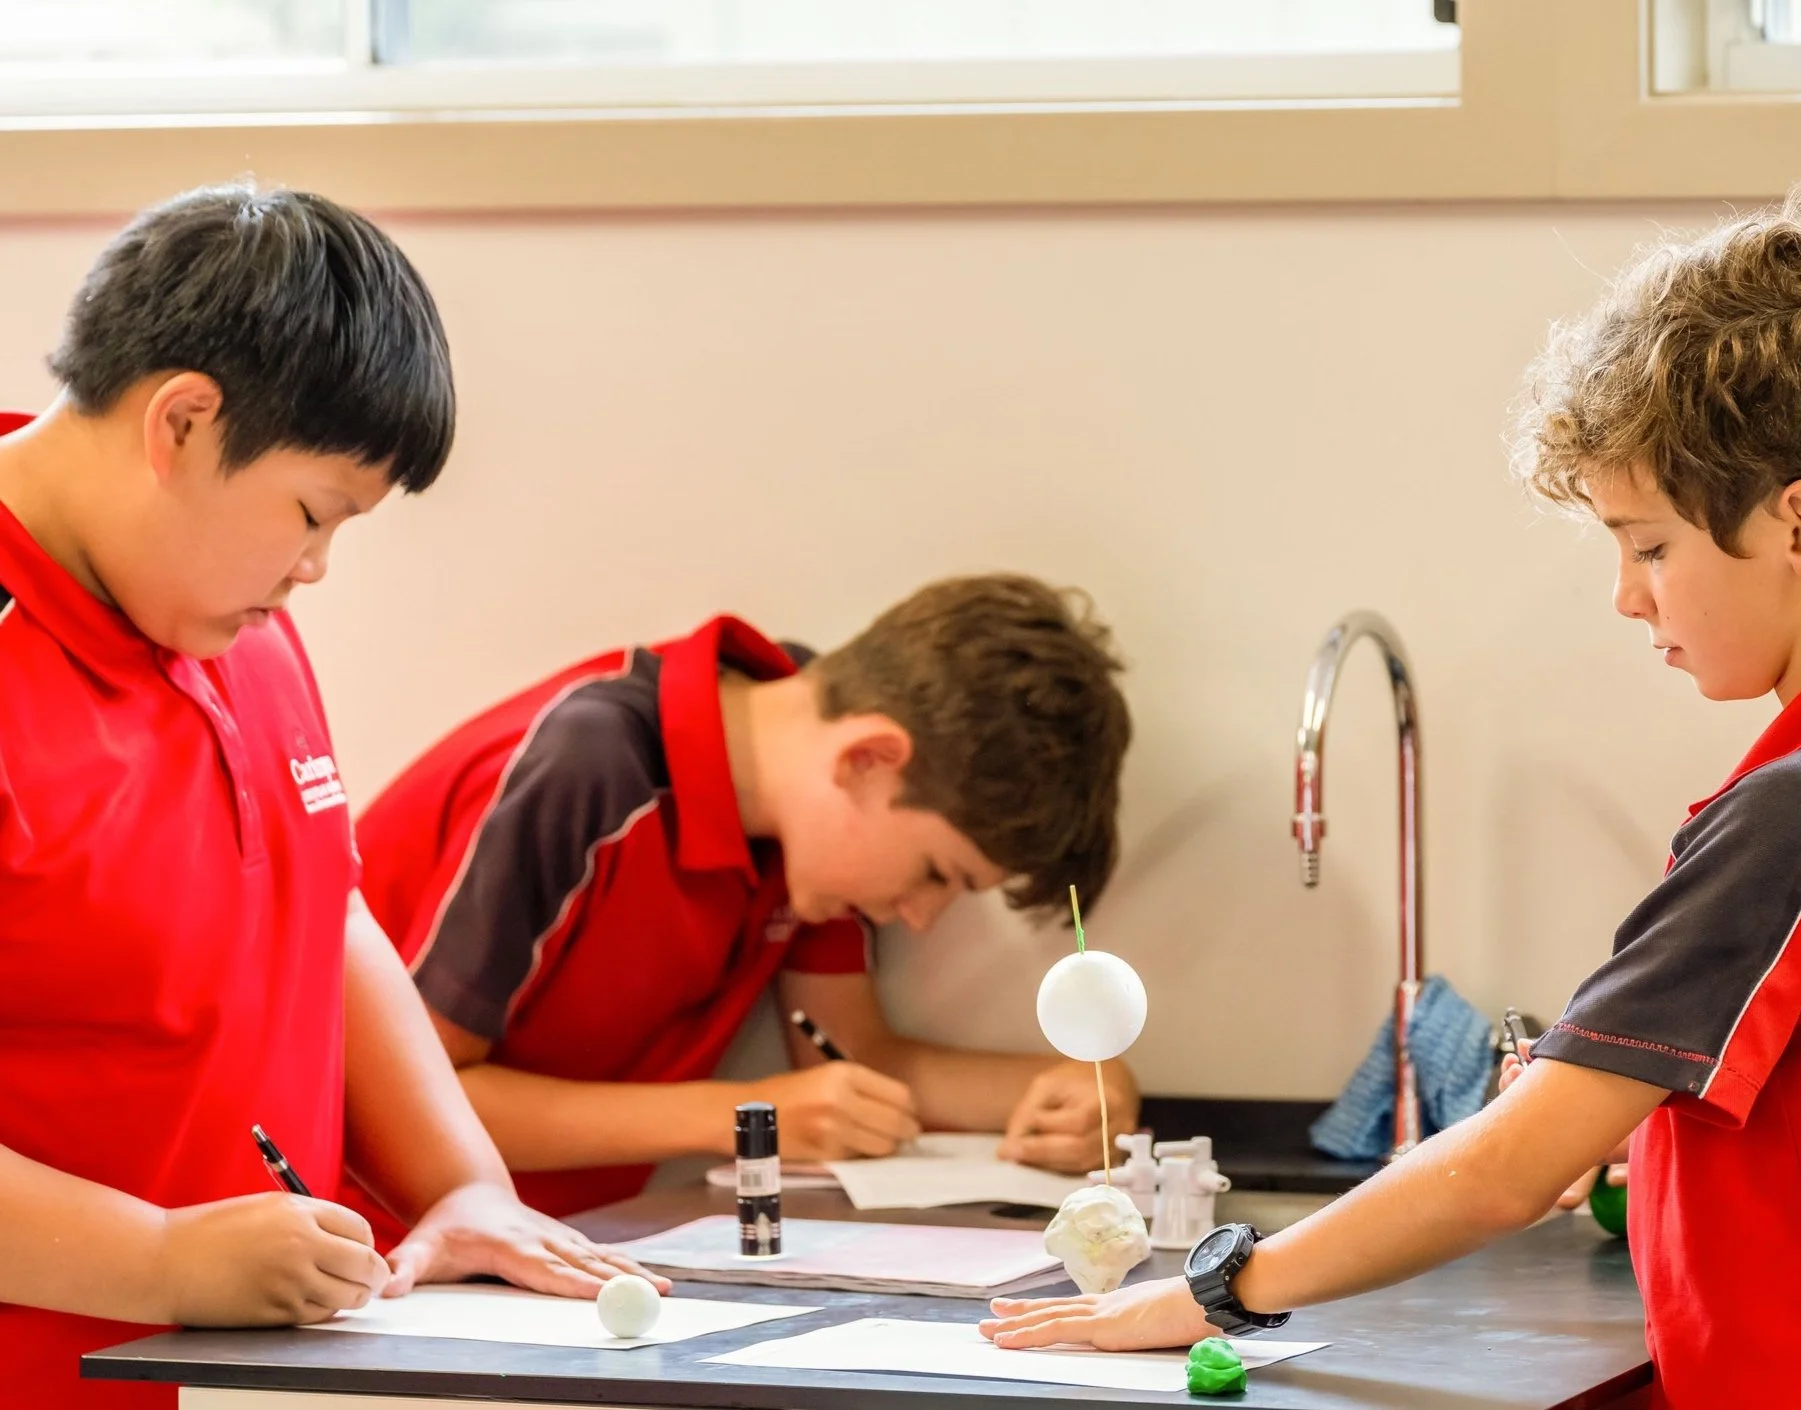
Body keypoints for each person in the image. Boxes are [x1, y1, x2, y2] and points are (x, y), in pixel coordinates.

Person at [979, 186, 1801, 1409]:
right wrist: (1665, 1122)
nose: (1627, 594)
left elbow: (1507, 1172)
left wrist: (1216, 1288)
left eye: (1650, 545)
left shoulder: (1795, 817)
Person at [0, 184, 662, 1408]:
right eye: (311, 514)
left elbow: (321, 914)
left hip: (255, 1376)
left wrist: (463, 1184)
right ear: (182, 423)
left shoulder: (232, 623)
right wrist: (153, 1258)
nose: (314, 569)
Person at [354, 574, 1138, 1220]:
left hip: (563, 1244)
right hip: (373, 1244)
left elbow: (858, 1062)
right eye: (937, 873)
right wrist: (745, 1117)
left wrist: (1085, 1081)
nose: (918, 915)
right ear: (868, 758)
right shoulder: (585, 768)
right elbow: (413, 1101)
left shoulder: (802, 821)